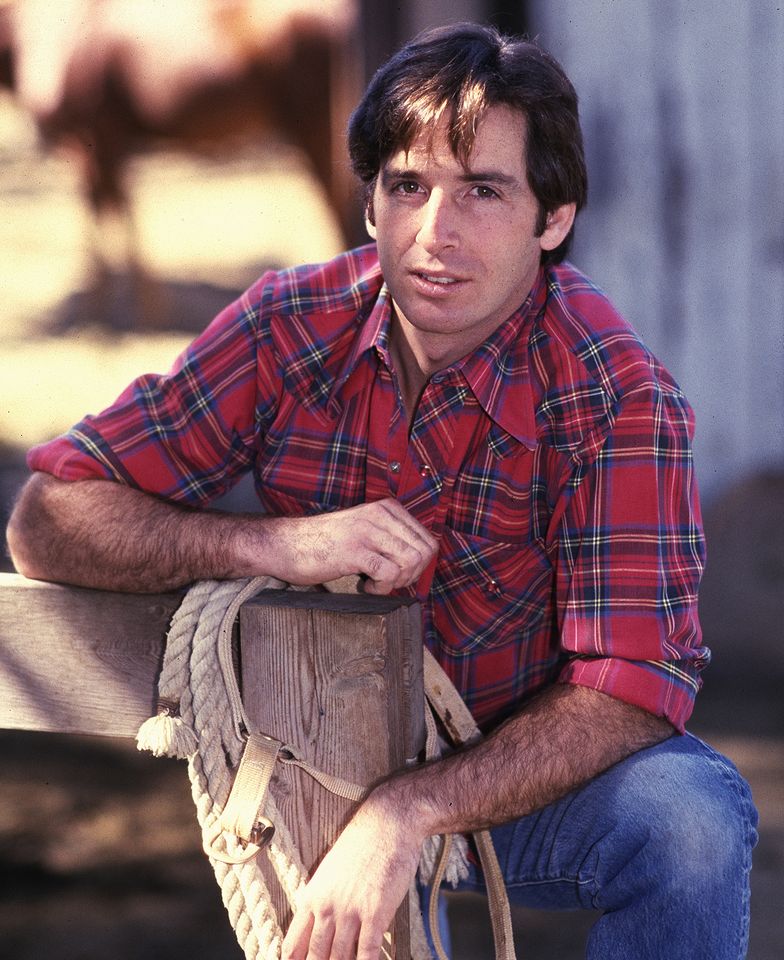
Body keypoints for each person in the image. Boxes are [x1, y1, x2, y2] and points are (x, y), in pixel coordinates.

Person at [7, 22, 757, 960]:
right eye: (408, 186)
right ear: (369, 204)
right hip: (312, 763)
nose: (435, 235)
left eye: (484, 191)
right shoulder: (289, 323)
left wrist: (409, 810)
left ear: (553, 219)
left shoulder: (617, 395)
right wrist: (271, 546)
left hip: (521, 771)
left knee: (691, 822)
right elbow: (50, 518)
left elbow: (631, 686)